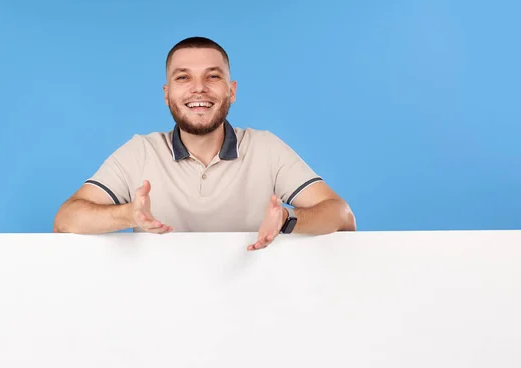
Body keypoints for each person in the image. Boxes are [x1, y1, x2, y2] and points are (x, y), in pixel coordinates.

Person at [53, 36, 356, 250]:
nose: (199, 89)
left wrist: (288, 220)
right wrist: (127, 214)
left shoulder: (266, 148)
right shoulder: (140, 152)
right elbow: (66, 220)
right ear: (166, 93)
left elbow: (342, 216)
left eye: (212, 77)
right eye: (183, 78)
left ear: (231, 91)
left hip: (254, 310)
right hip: (157, 312)